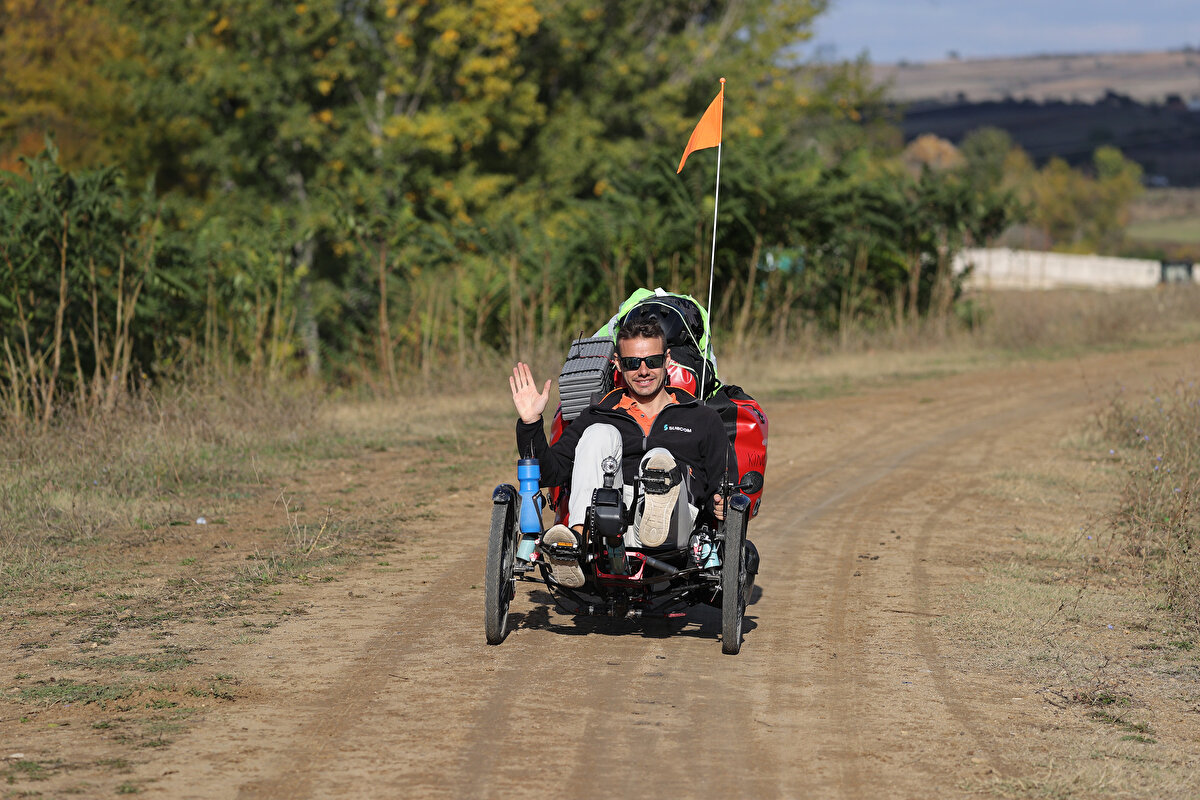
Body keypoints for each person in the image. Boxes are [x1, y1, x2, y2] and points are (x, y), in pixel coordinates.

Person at [510, 315, 736, 587]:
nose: (643, 371)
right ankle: (577, 542)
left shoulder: (700, 417)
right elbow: (552, 472)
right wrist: (531, 423)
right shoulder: (598, 413)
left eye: (652, 361)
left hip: (677, 523)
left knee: (659, 460)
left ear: (667, 360)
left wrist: (719, 503)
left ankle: (656, 504)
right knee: (599, 434)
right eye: (632, 363)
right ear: (617, 363)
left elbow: (723, 482)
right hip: (610, 519)